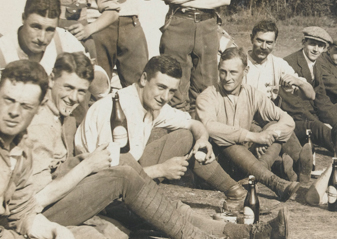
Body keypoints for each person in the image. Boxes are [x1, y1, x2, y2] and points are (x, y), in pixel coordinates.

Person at [27, 52, 286, 239]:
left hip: (85, 191)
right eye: (68, 88)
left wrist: (203, 139)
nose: (74, 98)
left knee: (160, 178)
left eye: (81, 91)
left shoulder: (62, 117)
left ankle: (246, 231)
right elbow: (32, 203)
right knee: (133, 179)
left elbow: (191, 122)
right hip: (45, 214)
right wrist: (88, 167)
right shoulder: (45, 123)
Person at [0, 59, 187, 239]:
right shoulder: (34, 134)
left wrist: (57, 231)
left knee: (89, 236)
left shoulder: (22, 148)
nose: (15, 112)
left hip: (20, 231)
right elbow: (35, 203)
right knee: (121, 180)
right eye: (8, 100)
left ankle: (204, 236)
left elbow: (23, 211)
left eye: (26, 106)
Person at [75, 55, 248, 210]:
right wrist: (161, 170)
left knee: (187, 136)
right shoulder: (116, 109)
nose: (165, 97)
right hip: (96, 190)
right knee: (174, 212)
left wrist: (203, 139)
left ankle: (235, 191)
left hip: (129, 172)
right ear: (144, 79)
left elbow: (192, 122)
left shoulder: (151, 102)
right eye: (161, 87)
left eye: (171, 91)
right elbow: (110, 176)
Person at [196, 47, 306, 201]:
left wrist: (267, 135)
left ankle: (255, 174)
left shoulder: (251, 93)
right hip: (216, 165)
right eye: (223, 71)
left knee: (274, 124)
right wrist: (254, 136)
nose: (227, 78)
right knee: (228, 141)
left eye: (233, 72)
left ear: (245, 71)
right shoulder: (207, 96)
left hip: (246, 163)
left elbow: (287, 120)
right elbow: (208, 127)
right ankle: (273, 181)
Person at [0, 0, 109, 102]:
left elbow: (102, 89)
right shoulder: (3, 49)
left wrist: (88, 74)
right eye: (36, 27)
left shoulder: (64, 41)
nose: (42, 38)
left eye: (50, 30)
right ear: (23, 18)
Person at [280, 26, 337, 152]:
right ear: (304, 43)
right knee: (321, 129)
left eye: (320, 46)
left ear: (324, 49)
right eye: (312, 44)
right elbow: (293, 104)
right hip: (295, 117)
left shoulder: (317, 64)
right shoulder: (289, 63)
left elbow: (322, 98)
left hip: (311, 112)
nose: (316, 49)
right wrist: (320, 123)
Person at [246, 20, 315, 102]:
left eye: (269, 43)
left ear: (274, 43)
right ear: (251, 39)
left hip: (267, 112)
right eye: (260, 41)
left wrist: (298, 82)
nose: (263, 47)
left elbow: (311, 95)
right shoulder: (239, 61)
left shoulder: (278, 64)